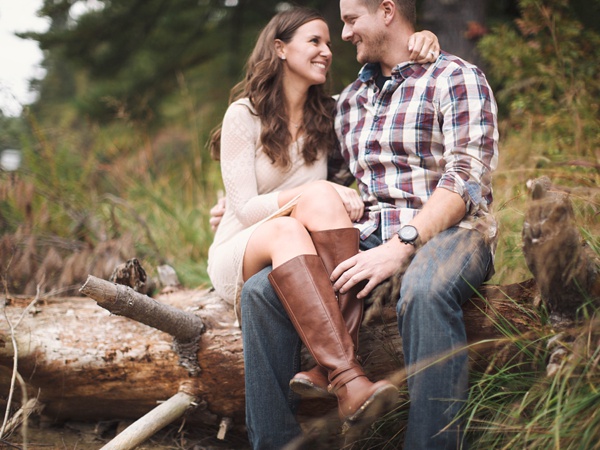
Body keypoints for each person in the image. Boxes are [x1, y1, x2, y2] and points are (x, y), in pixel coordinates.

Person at [219, 0, 500, 448]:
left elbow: (466, 178)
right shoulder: (348, 103)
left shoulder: (455, 77)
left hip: (453, 234)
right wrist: (234, 206)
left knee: (425, 289)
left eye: (350, 21)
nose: (343, 34)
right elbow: (312, 181)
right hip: (368, 235)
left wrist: (404, 243)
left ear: (387, 11)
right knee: (261, 293)